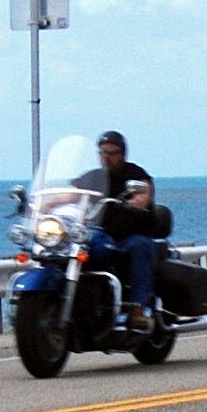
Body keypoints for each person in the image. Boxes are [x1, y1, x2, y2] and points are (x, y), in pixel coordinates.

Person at [71, 128, 173, 330]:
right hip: (104, 233)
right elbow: (70, 195)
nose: (106, 157)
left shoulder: (135, 174)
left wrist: (138, 201)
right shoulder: (93, 178)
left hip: (133, 235)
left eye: (111, 153)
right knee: (85, 245)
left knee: (140, 247)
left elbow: (144, 194)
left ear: (122, 154)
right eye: (102, 152)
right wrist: (41, 205)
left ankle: (140, 308)